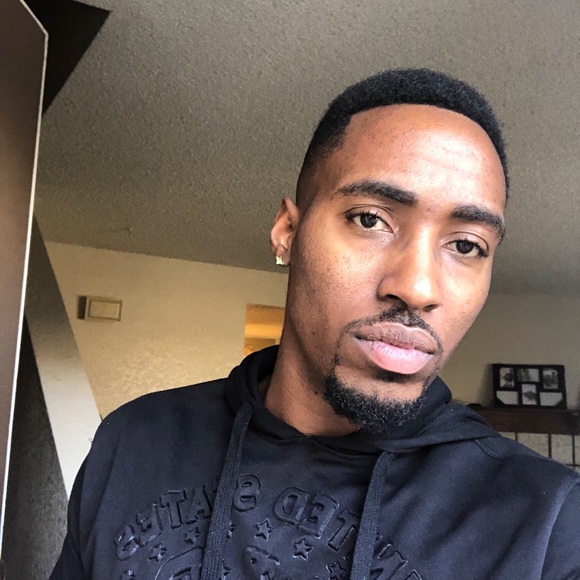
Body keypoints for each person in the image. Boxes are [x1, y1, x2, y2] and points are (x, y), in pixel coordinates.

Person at [51, 68, 579, 579]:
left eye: (466, 245)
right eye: (370, 219)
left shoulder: (550, 525)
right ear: (287, 232)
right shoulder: (134, 441)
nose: (418, 287)